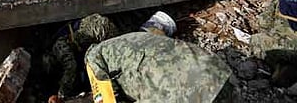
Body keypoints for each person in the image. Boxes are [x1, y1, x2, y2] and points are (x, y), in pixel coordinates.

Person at [85, 14, 233, 103]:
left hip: (186, 94)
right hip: (221, 74)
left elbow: (106, 99)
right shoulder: (138, 37)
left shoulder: (93, 56)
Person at [44, 14, 119, 101]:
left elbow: (71, 67)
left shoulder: (58, 47)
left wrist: (62, 94)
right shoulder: (62, 43)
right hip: (98, 29)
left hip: (99, 31)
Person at [250, 0, 297, 87]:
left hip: (281, 46)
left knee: (256, 39)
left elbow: (263, 23)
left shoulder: (280, 0)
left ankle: (273, 67)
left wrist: (271, 31)